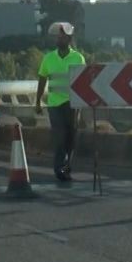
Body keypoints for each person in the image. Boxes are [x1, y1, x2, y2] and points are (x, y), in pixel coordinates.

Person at [35, 22, 86, 181]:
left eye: (63, 36)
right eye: (58, 36)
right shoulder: (48, 58)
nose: (60, 39)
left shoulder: (78, 58)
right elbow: (42, 80)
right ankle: (59, 169)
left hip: (72, 104)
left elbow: (82, 82)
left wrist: (83, 103)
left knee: (71, 137)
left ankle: (66, 168)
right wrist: (37, 101)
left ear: (69, 39)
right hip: (55, 104)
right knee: (60, 136)